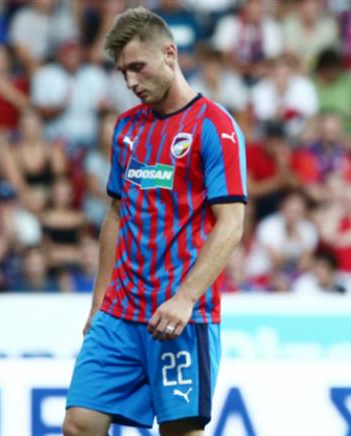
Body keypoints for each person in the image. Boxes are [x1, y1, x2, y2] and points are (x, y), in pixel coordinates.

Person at [61, 7, 247, 436]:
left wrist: (185, 298)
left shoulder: (215, 127)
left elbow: (231, 223)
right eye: (123, 72)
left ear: (169, 53)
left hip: (180, 315)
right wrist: (98, 302)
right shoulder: (127, 128)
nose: (130, 82)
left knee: (180, 432)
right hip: (120, 311)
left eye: (137, 68)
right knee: (79, 425)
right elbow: (116, 214)